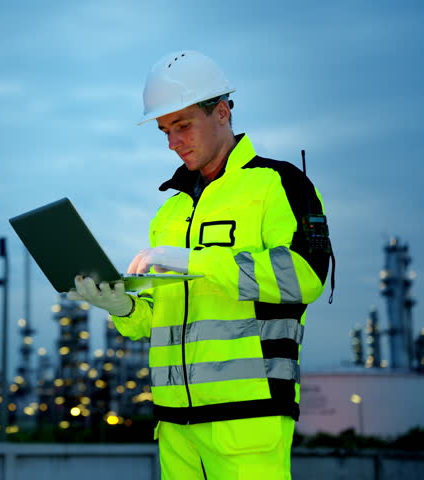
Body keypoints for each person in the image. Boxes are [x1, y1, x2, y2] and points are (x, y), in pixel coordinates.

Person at [68, 50, 334, 479]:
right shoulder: (169, 214)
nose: (173, 143)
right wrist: (123, 308)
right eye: (164, 131)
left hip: (248, 421)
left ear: (223, 113)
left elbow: (304, 276)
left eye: (182, 125)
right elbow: (158, 318)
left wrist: (197, 261)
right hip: (175, 427)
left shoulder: (277, 184)